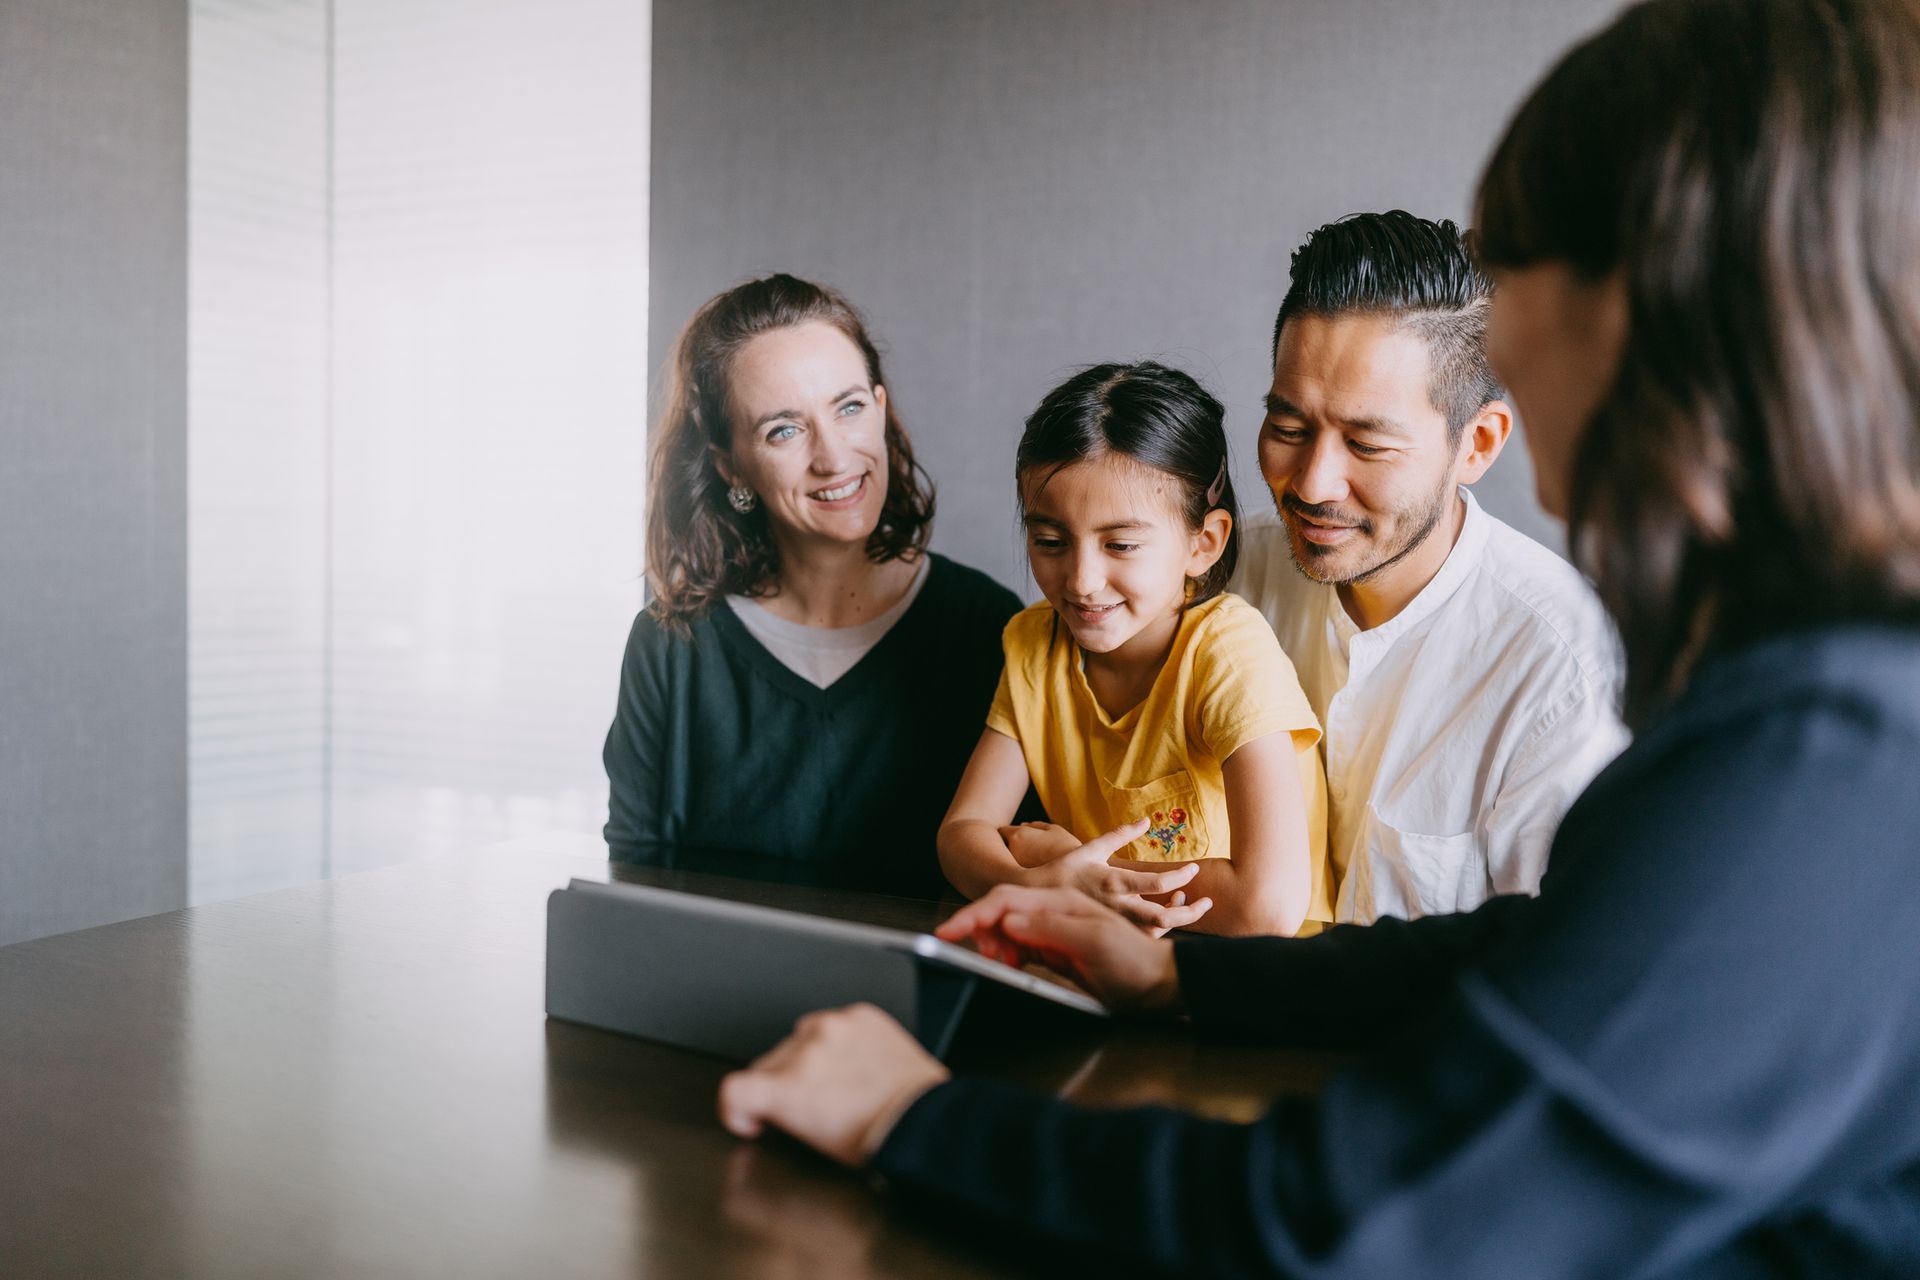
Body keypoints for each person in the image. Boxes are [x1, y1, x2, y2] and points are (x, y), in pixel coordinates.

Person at [715, 0, 1920, 1272]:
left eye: (1525, 289)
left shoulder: (1830, 753)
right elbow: (1538, 947)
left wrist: (912, 1116)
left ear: (1645, 309)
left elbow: (1368, 1222)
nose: (1507, 340)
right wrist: (1177, 979)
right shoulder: (1818, 706)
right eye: (1290, 425)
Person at [1235, 210, 1628, 922]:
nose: (1313, 483)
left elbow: (1550, 958)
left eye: (1366, 444)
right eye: (1288, 429)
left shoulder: (1561, 668)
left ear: (1477, 444)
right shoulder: (1221, 579)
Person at [603, 274, 1022, 897]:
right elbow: (631, 892)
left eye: (848, 407)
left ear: (881, 408)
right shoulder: (670, 649)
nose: (832, 457)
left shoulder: (987, 627)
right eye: (783, 429)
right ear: (729, 464)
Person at [936, 362, 1333, 937]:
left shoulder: (1227, 652)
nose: (1081, 580)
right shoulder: (1033, 642)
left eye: (1120, 544)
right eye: (1049, 541)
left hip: (1255, 984)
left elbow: (1266, 906)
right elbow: (962, 831)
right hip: (1109, 956)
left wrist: (1086, 873)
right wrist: (1037, 884)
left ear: (1204, 544)